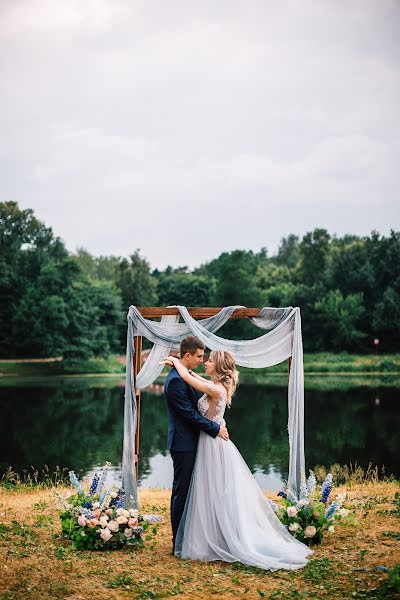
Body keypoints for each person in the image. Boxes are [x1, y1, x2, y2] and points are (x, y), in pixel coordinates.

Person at [162, 348, 312, 571]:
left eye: (210, 360)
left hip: (211, 444)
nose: (205, 362)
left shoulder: (214, 388)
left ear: (219, 367)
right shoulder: (216, 386)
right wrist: (183, 367)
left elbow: (186, 376)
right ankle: (214, 534)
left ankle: (218, 537)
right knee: (212, 491)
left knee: (213, 490)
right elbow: (193, 377)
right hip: (210, 441)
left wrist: (175, 361)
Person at [164, 336, 230, 554]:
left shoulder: (187, 376)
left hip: (197, 441)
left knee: (201, 490)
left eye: (206, 358)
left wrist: (177, 363)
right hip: (184, 443)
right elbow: (189, 414)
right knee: (181, 492)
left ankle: (198, 537)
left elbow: (192, 380)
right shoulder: (175, 380)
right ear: (187, 355)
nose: (203, 361)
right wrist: (215, 428)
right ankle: (179, 542)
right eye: (200, 356)